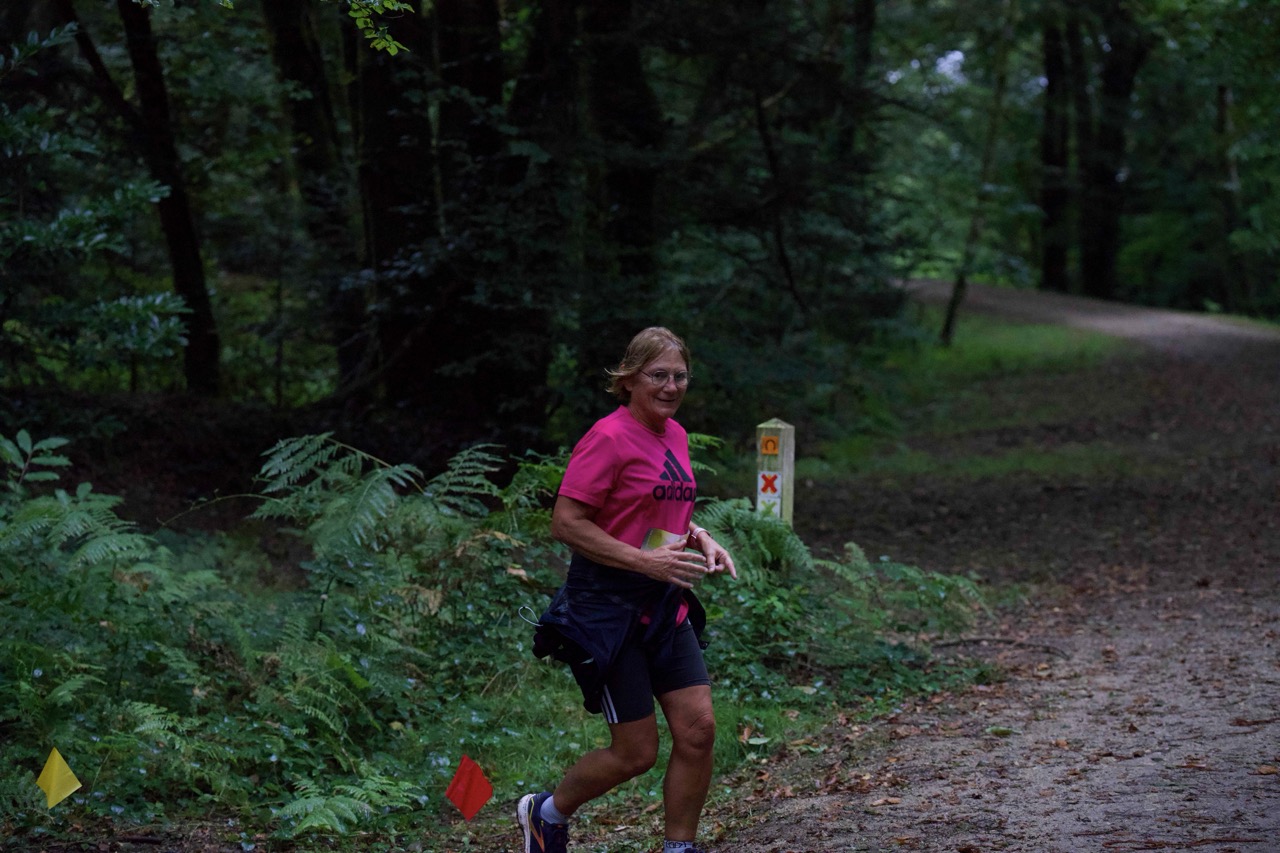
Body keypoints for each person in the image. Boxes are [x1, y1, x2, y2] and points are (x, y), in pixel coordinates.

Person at [518, 327, 737, 853]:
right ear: (630, 379)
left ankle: (679, 848)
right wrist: (643, 562)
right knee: (636, 752)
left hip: (664, 604)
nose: (670, 386)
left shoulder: (675, 434)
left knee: (699, 731)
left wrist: (700, 535)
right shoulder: (609, 437)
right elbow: (566, 522)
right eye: (658, 375)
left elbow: (655, 507)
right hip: (606, 609)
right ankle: (545, 813)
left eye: (679, 376)